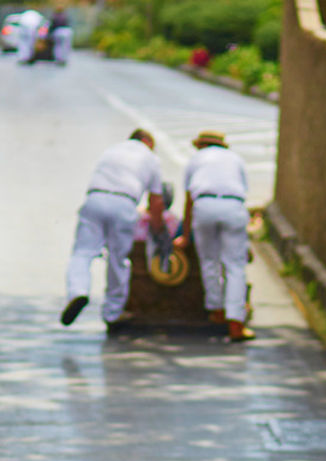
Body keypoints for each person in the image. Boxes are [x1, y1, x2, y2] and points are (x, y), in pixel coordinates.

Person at [62, 130, 170, 329]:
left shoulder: (112, 150)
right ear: (147, 142)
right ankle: (113, 313)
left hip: (95, 198)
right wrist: (160, 232)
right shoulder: (151, 158)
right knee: (118, 259)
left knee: (82, 253)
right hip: (124, 203)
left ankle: (78, 292)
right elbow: (156, 200)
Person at [175, 130, 254, 342]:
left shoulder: (196, 160)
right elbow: (242, 194)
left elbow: (189, 199)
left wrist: (185, 234)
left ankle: (216, 310)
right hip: (233, 206)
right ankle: (236, 323)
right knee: (235, 266)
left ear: (200, 145)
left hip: (205, 205)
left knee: (209, 261)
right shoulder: (235, 159)